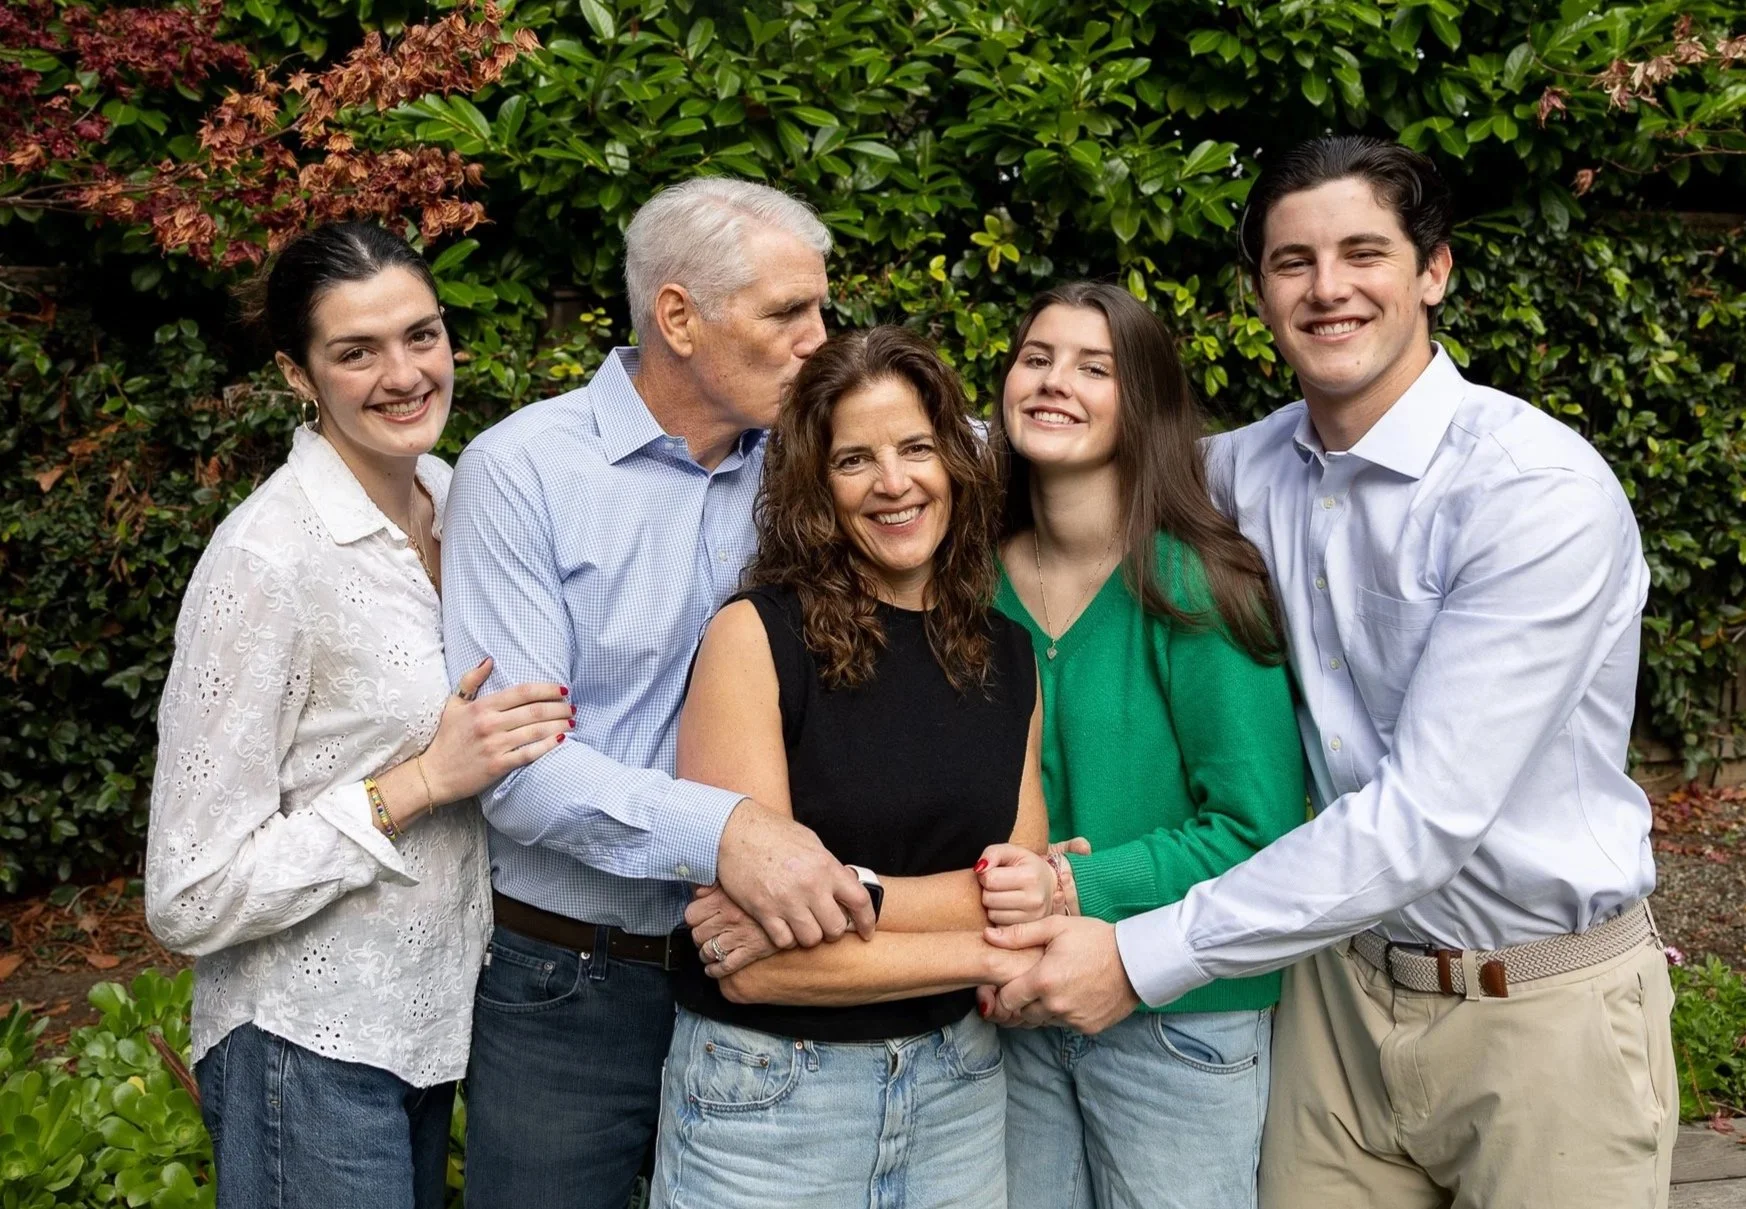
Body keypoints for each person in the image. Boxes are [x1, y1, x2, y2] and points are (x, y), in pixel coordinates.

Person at [985, 135, 1677, 1208]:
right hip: (1338, 1000)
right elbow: (1059, 434)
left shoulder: (1531, 491)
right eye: (1292, 261)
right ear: (1260, 289)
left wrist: (1133, 951)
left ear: (1433, 270)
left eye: (1363, 253)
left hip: (1541, 1006)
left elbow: (1427, 818)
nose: (1327, 289)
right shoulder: (1241, 469)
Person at [441, 179, 878, 1209]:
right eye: (787, 313)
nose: (822, 339)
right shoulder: (524, 473)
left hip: (772, 972)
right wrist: (726, 833)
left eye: (822, 308)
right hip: (569, 984)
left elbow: (986, 470)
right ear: (677, 317)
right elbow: (520, 774)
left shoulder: (817, 464)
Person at [145, 222, 571, 1209]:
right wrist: (418, 783)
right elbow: (188, 893)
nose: (403, 373)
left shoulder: (463, 503)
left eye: (421, 335)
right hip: (303, 1044)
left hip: (429, 1036)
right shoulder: (269, 558)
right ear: (300, 374)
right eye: (356, 351)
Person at [651, 325, 1055, 1209]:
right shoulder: (755, 638)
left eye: (916, 448)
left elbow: (1019, 902)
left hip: (961, 1094)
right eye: (855, 460)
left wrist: (853, 902)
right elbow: (755, 963)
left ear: (955, 460)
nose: (894, 483)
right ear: (815, 488)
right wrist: (982, 942)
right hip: (772, 1101)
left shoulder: (1009, 655)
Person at [986, 281, 1306, 1209]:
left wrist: (1076, 884)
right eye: (1036, 358)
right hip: (1014, 1011)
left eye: (1096, 368)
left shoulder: (1196, 581)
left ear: (1148, 405)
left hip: (1178, 1020)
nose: (1055, 383)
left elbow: (1258, 829)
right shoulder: (968, 580)